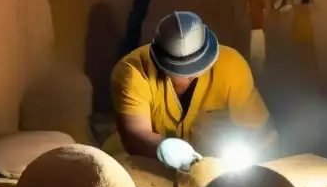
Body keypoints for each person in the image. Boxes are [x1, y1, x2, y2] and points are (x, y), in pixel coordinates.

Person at [104, 11, 277, 172]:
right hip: (144, 161)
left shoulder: (231, 66)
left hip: (213, 160)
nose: (192, 76)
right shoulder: (132, 72)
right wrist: (166, 148)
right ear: (161, 63)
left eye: (198, 66)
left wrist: (252, 151)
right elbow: (135, 137)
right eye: (183, 71)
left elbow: (263, 133)